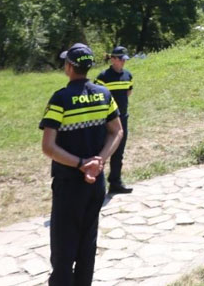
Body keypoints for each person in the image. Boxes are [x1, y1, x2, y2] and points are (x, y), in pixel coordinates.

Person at [40, 43, 123, 286]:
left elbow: (48, 147)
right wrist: (100, 161)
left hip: (69, 184)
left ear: (69, 67)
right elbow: (117, 131)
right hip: (96, 182)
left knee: (64, 248)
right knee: (88, 245)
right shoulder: (104, 94)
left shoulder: (61, 99)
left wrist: (81, 164)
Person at [94, 46, 135, 194]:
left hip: (122, 118)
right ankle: (96, 184)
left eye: (125, 59)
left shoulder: (128, 76)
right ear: (113, 59)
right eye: (121, 59)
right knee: (102, 151)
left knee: (119, 152)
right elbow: (97, 99)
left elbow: (128, 92)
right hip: (105, 121)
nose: (123, 62)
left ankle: (115, 182)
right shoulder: (103, 77)